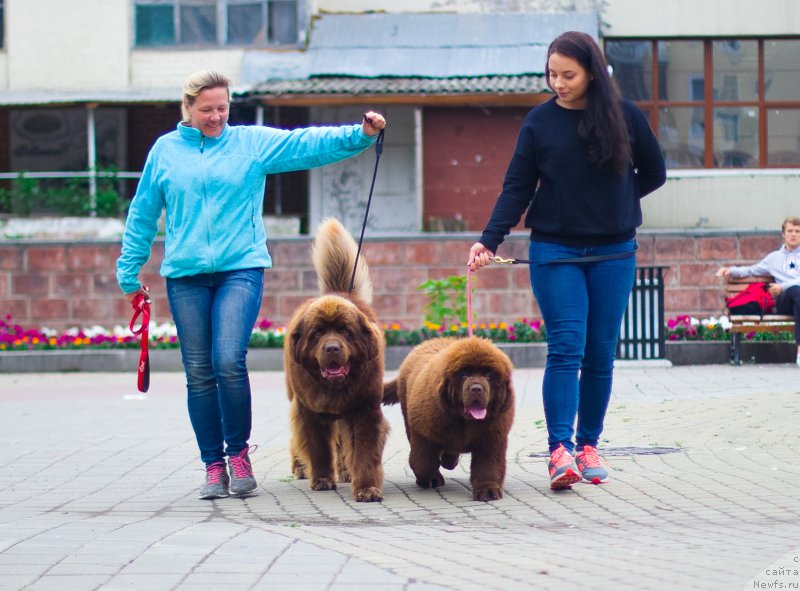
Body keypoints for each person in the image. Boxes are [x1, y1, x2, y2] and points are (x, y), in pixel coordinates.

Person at [116, 70, 387, 500]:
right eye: (207, 109)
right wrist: (129, 275)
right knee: (199, 372)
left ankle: (239, 455)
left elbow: (304, 144)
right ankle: (212, 465)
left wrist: (360, 134)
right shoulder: (165, 152)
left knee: (227, 359)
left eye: (222, 108)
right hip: (185, 275)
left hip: (240, 268)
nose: (216, 116)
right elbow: (143, 213)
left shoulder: (249, 144)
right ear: (187, 108)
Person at [467, 31, 666, 490]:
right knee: (566, 348)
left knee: (600, 354)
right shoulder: (540, 122)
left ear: (592, 72)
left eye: (568, 74)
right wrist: (488, 240)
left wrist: (615, 201)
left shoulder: (626, 117)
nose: (558, 82)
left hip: (615, 252)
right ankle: (559, 451)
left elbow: (655, 172)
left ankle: (589, 444)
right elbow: (516, 186)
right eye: (552, 74)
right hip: (556, 250)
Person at [715, 216, 800, 367]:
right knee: (796, 291)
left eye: (798, 231)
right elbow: (751, 270)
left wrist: (783, 286)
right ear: (783, 234)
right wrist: (730, 270)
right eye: (790, 231)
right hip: (785, 302)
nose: (794, 234)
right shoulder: (774, 258)